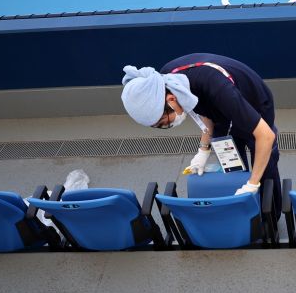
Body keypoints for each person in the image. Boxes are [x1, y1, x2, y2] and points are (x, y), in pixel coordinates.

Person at [120, 54, 281, 212]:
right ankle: (243, 206)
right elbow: (201, 108)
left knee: (263, 160)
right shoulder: (167, 82)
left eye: (164, 122)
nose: (167, 125)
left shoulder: (217, 88)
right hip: (219, 106)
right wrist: (203, 150)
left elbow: (266, 136)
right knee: (230, 157)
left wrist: (252, 184)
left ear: (171, 100)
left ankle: (270, 214)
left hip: (251, 101)